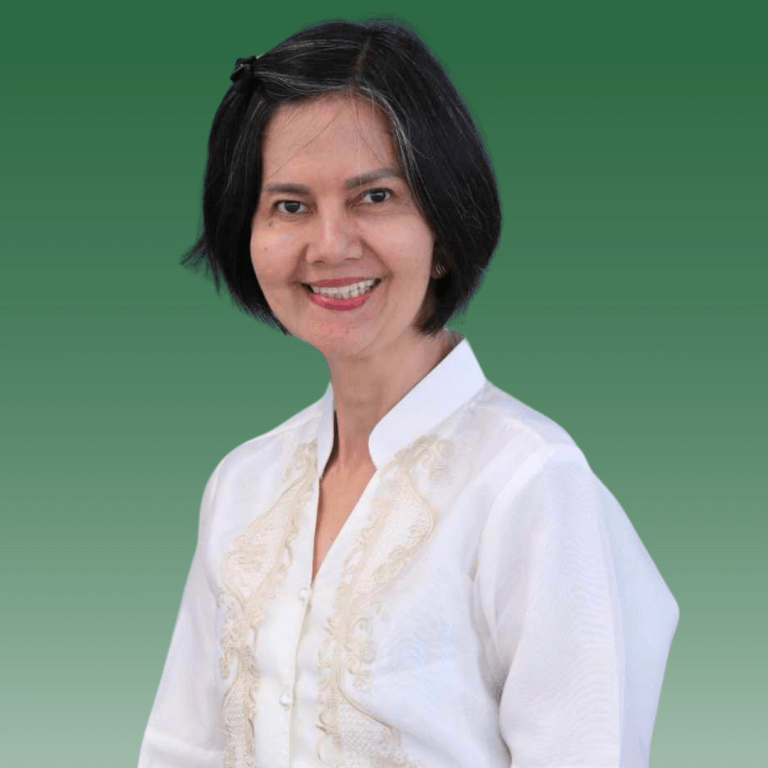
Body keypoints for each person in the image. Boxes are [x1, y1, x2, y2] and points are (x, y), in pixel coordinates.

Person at [137, 17, 680, 768]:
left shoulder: (528, 485)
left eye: (374, 196)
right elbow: (179, 751)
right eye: (290, 205)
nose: (330, 245)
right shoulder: (242, 486)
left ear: (445, 227)